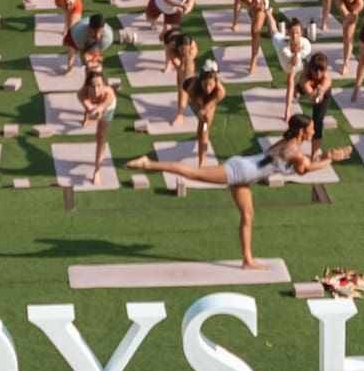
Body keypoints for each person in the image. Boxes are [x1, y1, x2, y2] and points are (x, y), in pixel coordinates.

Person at [128, 118, 352, 270]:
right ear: (302, 131)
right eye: (311, 127)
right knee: (193, 174)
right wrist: (330, 159)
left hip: (246, 173)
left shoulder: (290, 144)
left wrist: (325, 159)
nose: (314, 130)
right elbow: (304, 170)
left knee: (248, 215)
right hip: (239, 171)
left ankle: (247, 259)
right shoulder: (294, 150)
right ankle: (149, 164)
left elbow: (300, 167)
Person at [76, 64, 117, 184]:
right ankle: (86, 118)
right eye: (93, 87)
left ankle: (97, 171)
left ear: (104, 85)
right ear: (88, 86)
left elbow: (101, 111)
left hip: (107, 106)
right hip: (93, 107)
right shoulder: (81, 94)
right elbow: (91, 110)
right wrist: (92, 113)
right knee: (89, 114)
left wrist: (99, 110)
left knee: (100, 136)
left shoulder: (109, 93)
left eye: (99, 86)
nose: (97, 90)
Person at [273, 14, 317, 121]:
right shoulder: (282, 46)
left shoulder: (306, 44)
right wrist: (296, 52)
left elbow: (305, 61)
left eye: (297, 33)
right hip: (289, 65)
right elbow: (293, 64)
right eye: (292, 33)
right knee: (274, 31)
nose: (295, 36)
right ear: (288, 33)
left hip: (300, 64)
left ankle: (298, 90)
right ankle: (287, 110)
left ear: (301, 33)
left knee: (309, 76)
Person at [183, 56, 227, 165]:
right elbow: (199, 106)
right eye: (205, 84)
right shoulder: (192, 88)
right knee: (187, 73)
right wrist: (202, 111)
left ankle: (201, 164)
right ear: (201, 81)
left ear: (216, 82)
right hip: (195, 92)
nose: (208, 88)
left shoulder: (220, 92)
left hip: (209, 102)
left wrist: (204, 115)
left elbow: (207, 107)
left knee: (203, 131)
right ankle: (188, 57)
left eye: (211, 85)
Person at [296, 51, 335, 145]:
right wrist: (314, 95)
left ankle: (314, 155)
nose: (318, 73)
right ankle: (295, 90)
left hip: (322, 92)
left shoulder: (327, 79)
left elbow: (325, 86)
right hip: (307, 88)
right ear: (311, 68)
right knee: (298, 88)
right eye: (315, 70)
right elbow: (311, 97)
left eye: (321, 70)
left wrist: (320, 91)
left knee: (318, 122)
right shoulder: (305, 77)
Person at [332, 0, 364, 75]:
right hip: (340, 0)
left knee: (348, 37)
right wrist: (345, 24)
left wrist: (346, 26)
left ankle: (345, 63)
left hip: (352, 12)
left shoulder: (360, 3)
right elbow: (345, 15)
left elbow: (351, 18)